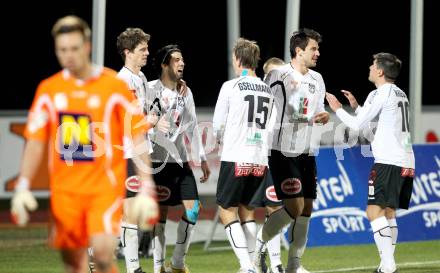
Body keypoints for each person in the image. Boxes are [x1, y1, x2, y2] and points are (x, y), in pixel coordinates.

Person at [9, 16, 159, 273]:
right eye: (62, 49)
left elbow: (137, 135)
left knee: (102, 254)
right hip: (65, 191)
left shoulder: (113, 86)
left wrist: (147, 187)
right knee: (75, 262)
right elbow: (35, 140)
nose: (68, 55)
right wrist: (23, 185)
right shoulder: (49, 90)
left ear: (87, 46)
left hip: (104, 186)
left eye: (74, 48)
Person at [326, 53, 415, 273]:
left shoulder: (382, 92)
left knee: (373, 212)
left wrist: (337, 108)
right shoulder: (399, 93)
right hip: (406, 160)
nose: (369, 67)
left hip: (388, 161)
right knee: (389, 213)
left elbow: (357, 126)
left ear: (380, 71)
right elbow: (375, 122)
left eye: (372, 65)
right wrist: (356, 106)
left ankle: (388, 265)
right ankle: (387, 264)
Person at [253, 28, 330, 273]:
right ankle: (258, 245)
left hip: (308, 150)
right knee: (294, 207)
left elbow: (318, 110)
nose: (318, 53)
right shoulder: (279, 75)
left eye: (317, 48)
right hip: (283, 150)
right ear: (299, 51)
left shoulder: (318, 79)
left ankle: (294, 265)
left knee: (306, 209)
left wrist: (323, 116)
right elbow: (262, 101)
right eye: (313, 49)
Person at [213, 38, 274, 273]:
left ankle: (246, 265)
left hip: (236, 154)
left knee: (226, 211)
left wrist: (222, 140)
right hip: (259, 157)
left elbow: (217, 125)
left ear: (238, 59)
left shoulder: (231, 86)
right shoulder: (268, 89)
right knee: (248, 211)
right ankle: (253, 266)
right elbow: (272, 126)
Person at [148, 44, 211, 273]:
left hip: (180, 162)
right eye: (176, 60)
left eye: (182, 59)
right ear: (165, 64)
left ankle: (177, 263)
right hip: (157, 161)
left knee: (193, 209)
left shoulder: (186, 92)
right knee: (160, 214)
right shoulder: (149, 89)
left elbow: (192, 128)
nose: (182, 63)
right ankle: (158, 268)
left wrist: (201, 158)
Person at [116, 27, 170, 273]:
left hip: (142, 151)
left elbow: (147, 114)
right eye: (142, 49)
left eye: (147, 48)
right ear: (127, 52)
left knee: (138, 212)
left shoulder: (139, 80)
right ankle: (132, 268)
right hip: (128, 152)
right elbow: (129, 124)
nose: (147, 53)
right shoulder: (123, 81)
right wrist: (153, 120)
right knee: (129, 212)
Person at [241, 57, 286, 273]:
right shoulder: (263, 96)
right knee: (250, 209)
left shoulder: (284, 99)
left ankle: (273, 262)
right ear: (267, 76)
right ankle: (254, 261)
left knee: (275, 210)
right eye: (276, 74)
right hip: (258, 158)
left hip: (276, 160)